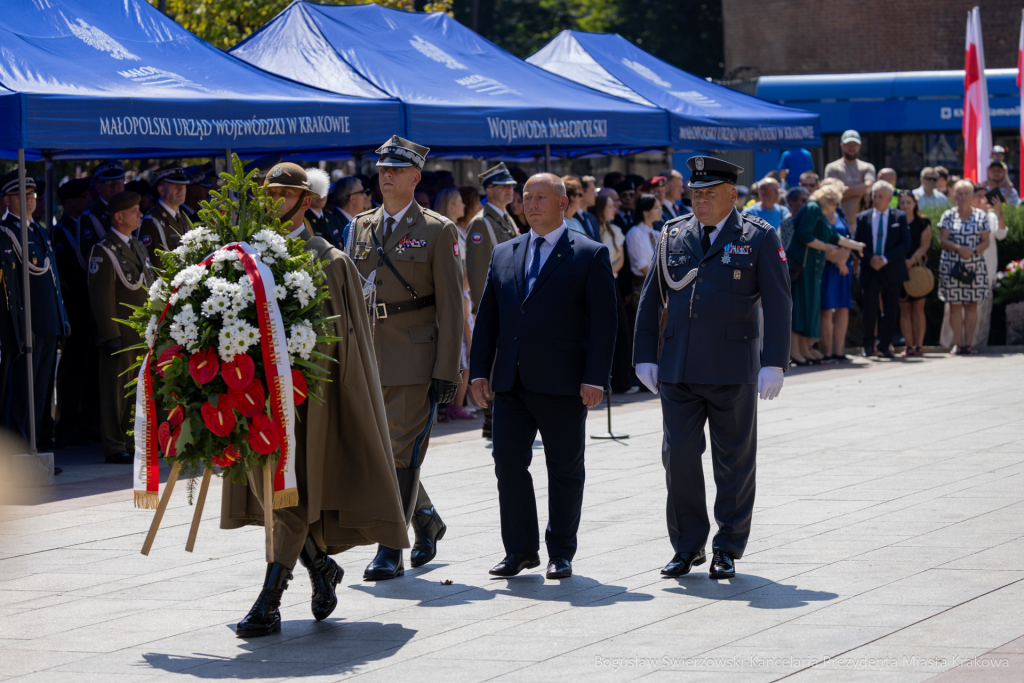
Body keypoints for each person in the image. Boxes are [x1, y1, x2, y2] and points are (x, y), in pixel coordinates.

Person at [221, 163, 408, 638]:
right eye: (266, 194)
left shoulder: (329, 260)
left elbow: (339, 341)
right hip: (257, 399)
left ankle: (269, 600)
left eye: (282, 194)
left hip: (310, 403)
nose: (270, 203)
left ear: (306, 202)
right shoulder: (245, 256)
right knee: (272, 496)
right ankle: (319, 566)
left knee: (291, 496)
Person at [632, 156, 792, 580]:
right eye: (695, 194)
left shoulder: (758, 236)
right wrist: (644, 354)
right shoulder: (673, 234)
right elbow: (652, 299)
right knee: (678, 458)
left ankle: (727, 546)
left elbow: (779, 302)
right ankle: (687, 546)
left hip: (732, 366)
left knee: (734, 461)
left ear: (732, 195)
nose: (699, 202)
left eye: (709, 194)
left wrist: (774, 362)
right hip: (678, 366)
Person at [469, 172, 616, 580]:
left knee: (565, 469)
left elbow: (604, 324)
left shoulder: (589, 253)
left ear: (563, 203)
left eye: (540, 198)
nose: (531, 204)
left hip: (564, 382)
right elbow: (489, 319)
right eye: (526, 197)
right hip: (511, 383)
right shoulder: (504, 252)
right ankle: (519, 550)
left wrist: (595, 378)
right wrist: (479, 370)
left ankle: (561, 551)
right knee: (508, 465)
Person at [348, 136, 464, 580]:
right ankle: (426, 517)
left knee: (398, 453)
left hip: (415, 359)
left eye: (397, 170)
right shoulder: (360, 227)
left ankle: (389, 549)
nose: (388, 176)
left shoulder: (437, 229)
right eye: (383, 170)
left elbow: (452, 307)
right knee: (373, 452)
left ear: (416, 177)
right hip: (368, 356)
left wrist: (447, 369)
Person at [1, 172, 69, 446]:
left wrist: (61, 320)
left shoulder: (38, 231)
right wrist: (19, 328)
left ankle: (36, 447)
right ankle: (19, 453)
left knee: (40, 392)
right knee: (21, 394)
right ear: (7, 200)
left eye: (32, 195)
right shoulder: (6, 234)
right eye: (22, 195)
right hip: (27, 325)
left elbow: (52, 281)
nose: (30, 200)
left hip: (48, 323)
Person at [85, 191, 151, 464]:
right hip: (120, 335)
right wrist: (110, 334)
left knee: (137, 390)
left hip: (140, 333)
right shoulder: (103, 250)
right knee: (115, 391)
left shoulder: (138, 246)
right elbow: (100, 297)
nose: (140, 215)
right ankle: (114, 445)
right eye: (134, 210)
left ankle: (131, 441)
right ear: (118, 217)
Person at [465, 164, 518, 437]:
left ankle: (499, 415)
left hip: (510, 305)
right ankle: (491, 417)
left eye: (511, 185)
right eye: (504, 186)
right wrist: (481, 309)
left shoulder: (506, 218)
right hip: (495, 306)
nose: (511, 190)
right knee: (494, 361)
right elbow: (477, 271)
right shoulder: (481, 222)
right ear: (489, 190)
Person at [789, 184, 865, 365]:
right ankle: (795, 351)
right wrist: (826, 248)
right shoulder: (813, 208)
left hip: (813, 268)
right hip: (803, 266)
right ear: (829, 200)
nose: (835, 208)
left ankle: (806, 349)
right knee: (800, 309)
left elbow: (834, 236)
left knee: (809, 310)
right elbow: (804, 236)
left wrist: (857, 247)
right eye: (835, 204)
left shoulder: (818, 212)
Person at [52, 178, 99, 445]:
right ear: (69, 202)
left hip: (91, 313)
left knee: (91, 370)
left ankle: (86, 423)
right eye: (83, 196)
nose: (88, 200)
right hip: (77, 312)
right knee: (73, 370)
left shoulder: (85, 225)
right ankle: (67, 423)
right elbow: (69, 273)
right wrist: (93, 294)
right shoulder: (62, 232)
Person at [854, 180, 910, 359]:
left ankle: (885, 345)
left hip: (891, 268)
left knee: (890, 309)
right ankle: (868, 345)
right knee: (870, 308)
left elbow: (905, 243)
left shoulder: (899, 216)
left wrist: (885, 259)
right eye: (874, 196)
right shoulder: (862, 217)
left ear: (889, 198)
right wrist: (871, 259)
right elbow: (857, 244)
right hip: (870, 269)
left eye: (880, 196)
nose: (876, 199)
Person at [433, 187, 475, 421]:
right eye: (460, 202)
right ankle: (446, 404)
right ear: (451, 206)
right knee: (457, 356)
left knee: (463, 357)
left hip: (464, 297)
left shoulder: (458, 231)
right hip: (453, 300)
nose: (464, 206)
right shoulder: (445, 231)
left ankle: (452, 404)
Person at [937, 180, 990, 355]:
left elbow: (986, 241)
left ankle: (969, 344)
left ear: (972, 195)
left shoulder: (981, 217)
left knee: (971, 306)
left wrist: (972, 251)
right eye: (959, 193)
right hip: (952, 266)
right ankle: (957, 344)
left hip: (974, 266)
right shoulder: (947, 216)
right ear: (954, 195)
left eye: (966, 193)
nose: (963, 197)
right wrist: (960, 249)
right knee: (955, 305)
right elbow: (943, 241)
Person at [589, 194, 635, 394]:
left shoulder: (616, 230)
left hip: (612, 280)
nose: (614, 209)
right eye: (610, 205)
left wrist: (608, 273)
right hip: (599, 281)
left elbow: (621, 260)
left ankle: (621, 380)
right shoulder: (592, 228)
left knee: (622, 332)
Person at [818, 186, 854, 363]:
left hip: (844, 267)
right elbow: (819, 240)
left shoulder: (839, 211)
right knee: (826, 310)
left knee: (843, 308)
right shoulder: (818, 213)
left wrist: (845, 256)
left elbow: (847, 235)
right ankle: (827, 352)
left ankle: (839, 351)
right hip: (826, 266)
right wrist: (838, 260)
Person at [897, 190, 933, 357]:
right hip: (899, 267)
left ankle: (919, 345)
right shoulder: (895, 221)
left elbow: (924, 245)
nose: (905, 206)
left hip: (917, 268)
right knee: (904, 308)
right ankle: (908, 346)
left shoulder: (923, 222)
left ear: (915, 203)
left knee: (918, 308)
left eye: (908, 202)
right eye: (902, 203)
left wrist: (912, 260)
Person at [137, 163, 190, 267]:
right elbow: (154, 267)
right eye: (174, 185)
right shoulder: (151, 222)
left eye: (183, 185)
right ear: (161, 190)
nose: (181, 189)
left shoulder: (183, 218)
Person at [824, 130, 876, 222]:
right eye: (848, 145)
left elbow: (869, 187)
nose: (851, 148)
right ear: (841, 146)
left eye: (854, 145)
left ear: (859, 147)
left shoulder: (868, 167)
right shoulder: (832, 167)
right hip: (838, 221)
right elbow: (833, 193)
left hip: (863, 223)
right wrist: (861, 189)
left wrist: (845, 190)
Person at [624, 193, 661, 318]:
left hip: (658, 284)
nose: (660, 210)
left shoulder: (656, 233)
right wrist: (659, 282)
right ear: (645, 212)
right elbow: (642, 265)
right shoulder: (635, 233)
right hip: (643, 286)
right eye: (656, 207)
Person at [81, 160, 126, 257]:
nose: (115, 185)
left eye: (119, 180)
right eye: (109, 181)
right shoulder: (89, 217)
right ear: (97, 187)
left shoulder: (131, 210)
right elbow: (88, 257)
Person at [302, 168, 344, 249]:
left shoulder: (331, 217)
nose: (321, 196)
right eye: (316, 192)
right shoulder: (303, 220)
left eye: (323, 190)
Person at [575, 175, 600, 241]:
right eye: (592, 191)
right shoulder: (570, 219)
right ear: (581, 193)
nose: (596, 194)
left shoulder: (592, 217)